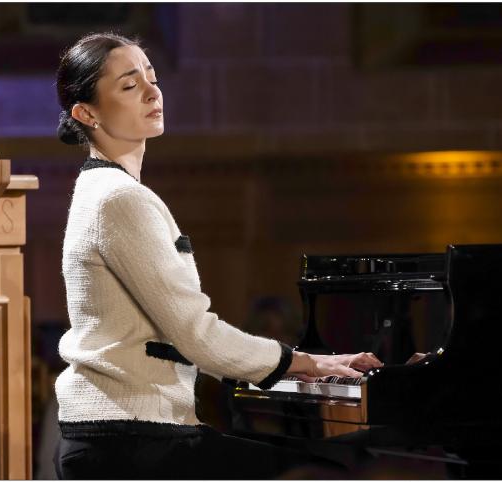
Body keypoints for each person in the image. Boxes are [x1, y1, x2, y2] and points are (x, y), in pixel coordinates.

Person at [53, 31, 383, 479]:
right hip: (129, 440)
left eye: (152, 77)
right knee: (318, 474)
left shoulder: (107, 191)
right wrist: (308, 363)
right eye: (130, 86)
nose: (152, 91)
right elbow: (196, 335)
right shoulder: (118, 199)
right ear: (86, 112)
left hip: (125, 433)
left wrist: (295, 367)